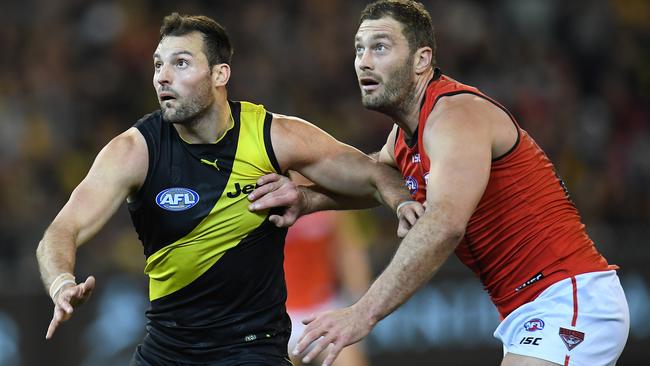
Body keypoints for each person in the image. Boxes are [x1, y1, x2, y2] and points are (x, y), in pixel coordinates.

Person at [248, 1, 630, 365]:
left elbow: (445, 225)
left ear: (422, 60)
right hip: (527, 308)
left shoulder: (454, 116)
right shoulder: (403, 137)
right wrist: (306, 199)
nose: (364, 61)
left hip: (568, 296)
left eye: (380, 47)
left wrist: (362, 313)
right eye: (359, 49)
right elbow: (371, 177)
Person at [35, 13, 421, 366]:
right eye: (158, 64)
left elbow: (374, 175)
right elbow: (60, 231)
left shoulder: (274, 136)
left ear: (220, 75)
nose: (162, 77)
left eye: (180, 63)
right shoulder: (135, 151)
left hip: (252, 348)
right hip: (166, 350)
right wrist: (60, 282)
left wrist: (399, 201)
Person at [284, 174, 371, 366]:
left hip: (323, 306)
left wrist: (360, 304)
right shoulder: (268, 195)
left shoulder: (331, 198)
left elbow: (349, 250)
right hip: (279, 312)